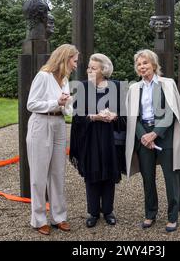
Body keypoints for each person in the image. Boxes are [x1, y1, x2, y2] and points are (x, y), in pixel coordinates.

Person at [125, 49, 180, 233]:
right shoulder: (133, 88)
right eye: (139, 64)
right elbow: (132, 116)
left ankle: (172, 217)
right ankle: (150, 213)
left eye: (145, 63)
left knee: (171, 177)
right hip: (143, 136)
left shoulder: (167, 84)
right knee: (148, 178)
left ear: (154, 65)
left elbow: (171, 113)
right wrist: (143, 136)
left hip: (165, 135)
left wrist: (155, 134)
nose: (142, 66)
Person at [26, 44, 78, 235]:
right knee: (39, 175)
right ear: (65, 58)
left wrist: (65, 104)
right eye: (75, 60)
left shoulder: (64, 79)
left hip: (58, 123)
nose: (76, 64)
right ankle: (39, 219)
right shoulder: (43, 76)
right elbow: (31, 104)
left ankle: (59, 217)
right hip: (41, 123)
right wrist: (56, 102)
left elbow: (68, 109)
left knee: (58, 173)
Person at [70, 53, 126, 228]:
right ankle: (93, 213)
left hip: (111, 138)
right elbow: (77, 118)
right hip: (90, 138)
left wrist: (114, 116)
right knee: (92, 173)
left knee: (109, 174)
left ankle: (108, 211)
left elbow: (126, 115)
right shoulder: (82, 88)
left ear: (104, 70)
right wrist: (93, 117)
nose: (88, 70)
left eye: (93, 68)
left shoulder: (118, 86)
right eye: (88, 67)